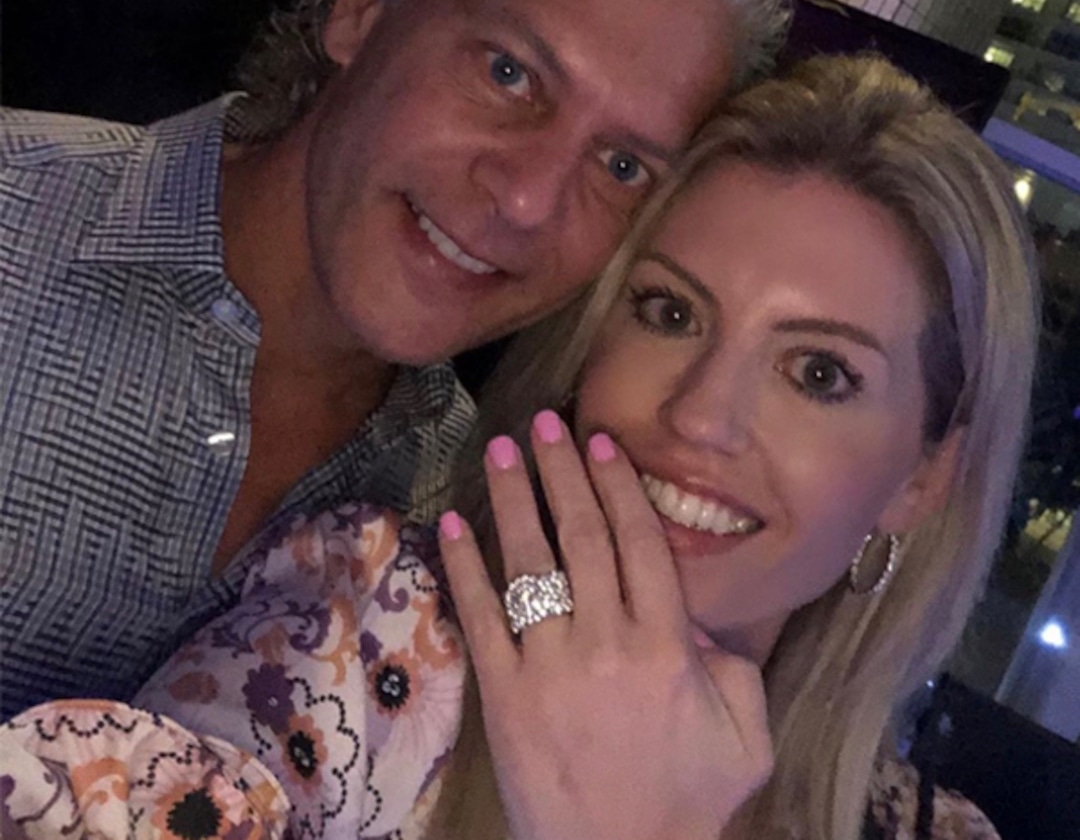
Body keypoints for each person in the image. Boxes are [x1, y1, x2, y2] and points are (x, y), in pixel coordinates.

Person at [1, 55, 1037, 840]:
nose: (700, 418)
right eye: (670, 313)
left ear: (921, 479)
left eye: (818, 373)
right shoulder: (369, 641)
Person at [0, 0, 790, 719]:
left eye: (622, 167)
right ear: (362, 11)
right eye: (508, 73)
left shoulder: (464, 521)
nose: (528, 199)